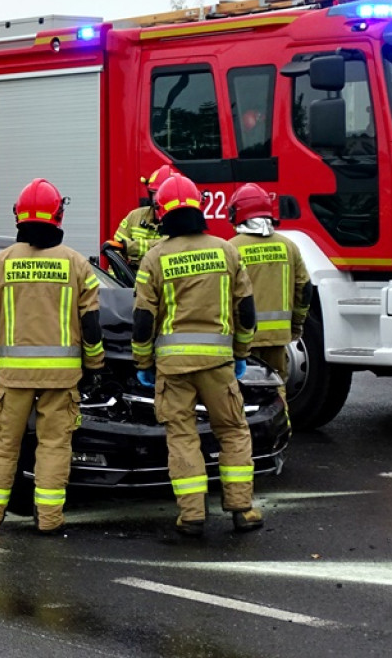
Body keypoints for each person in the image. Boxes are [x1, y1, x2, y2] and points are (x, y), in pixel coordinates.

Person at [0, 179, 105, 535]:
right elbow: (91, 326)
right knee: (55, 446)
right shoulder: (77, 265)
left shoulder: (1, 263)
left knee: (1, 445)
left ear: (19, 216)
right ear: (58, 214)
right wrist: (94, 368)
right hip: (62, 379)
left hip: (12, 377)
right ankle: (49, 519)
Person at [131, 174, 262, 537]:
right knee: (234, 431)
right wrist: (241, 353)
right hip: (219, 365)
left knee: (182, 436)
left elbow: (143, 321)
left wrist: (144, 363)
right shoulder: (226, 250)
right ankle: (241, 508)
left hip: (172, 369)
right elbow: (246, 311)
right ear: (198, 206)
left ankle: (192, 516)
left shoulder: (155, 259)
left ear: (162, 213)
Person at [227, 183, 311, 417]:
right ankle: (280, 437)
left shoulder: (231, 249)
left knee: (242, 394)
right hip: (278, 338)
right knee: (276, 391)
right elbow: (304, 289)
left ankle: (249, 443)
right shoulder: (289, 246)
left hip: (243, 340)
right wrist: (297, 325)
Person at [105, 164, 174, 270]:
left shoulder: (179, 223)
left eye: (163, 193)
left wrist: (128, 246)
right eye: (155, 193)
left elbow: (166, 247)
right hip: (131, 283)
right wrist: (116, 284)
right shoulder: (134, 216)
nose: (158, 198)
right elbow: (116, 254)